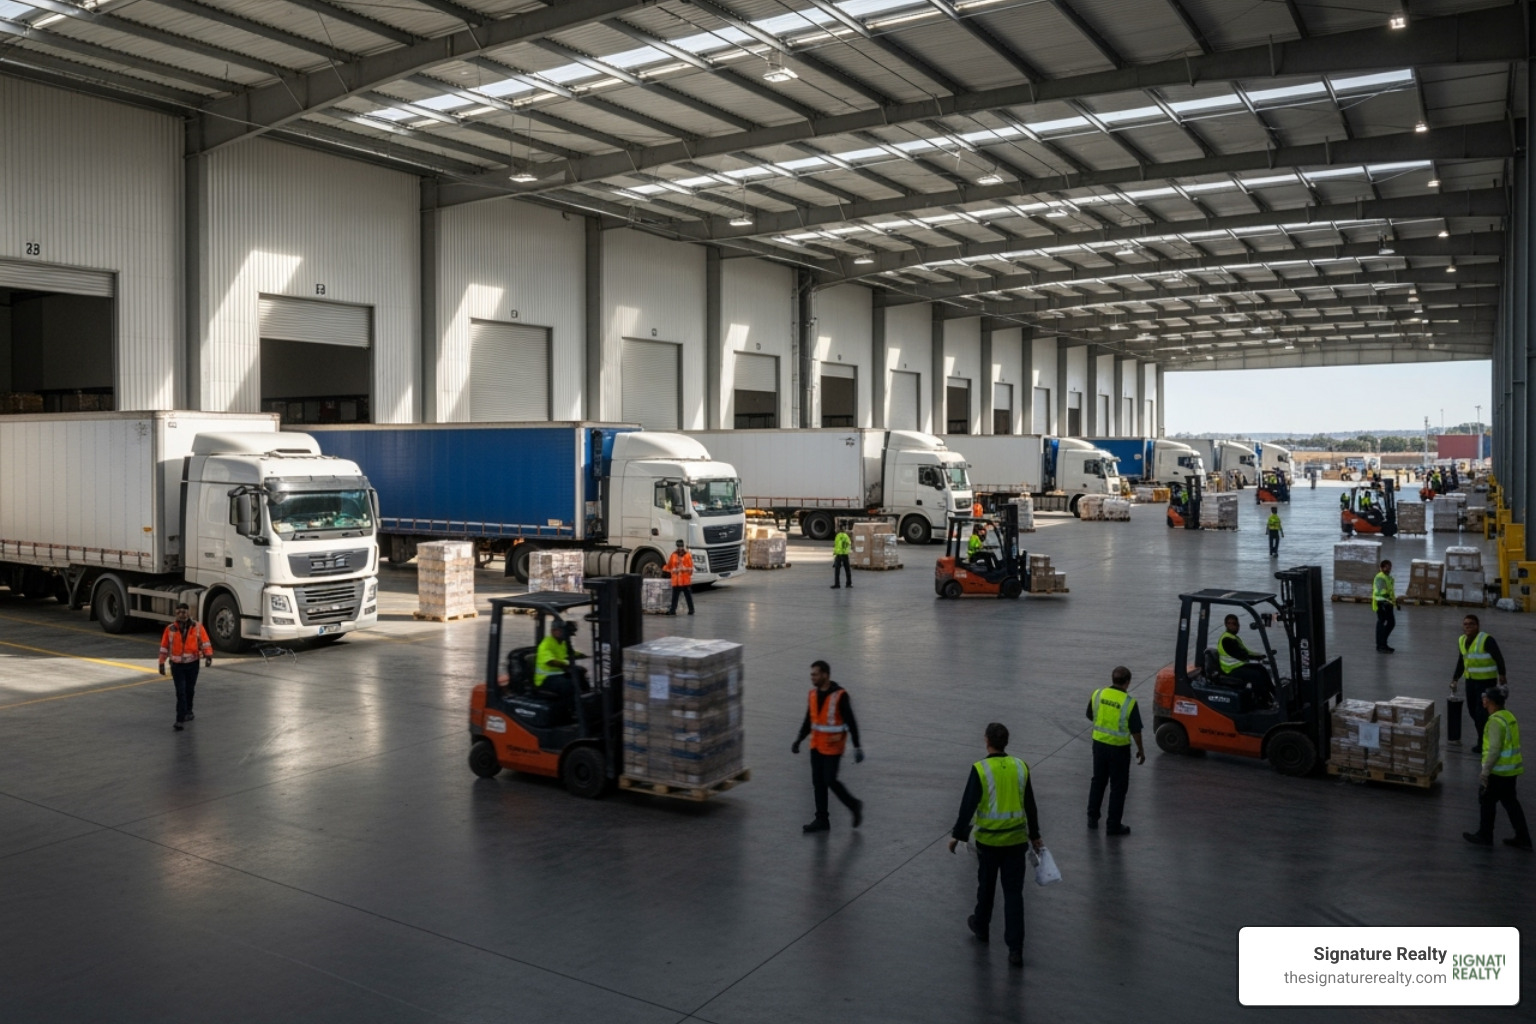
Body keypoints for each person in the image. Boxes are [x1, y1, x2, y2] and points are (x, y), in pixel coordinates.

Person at [946, 722, 1043, 968]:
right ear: (1006, 742)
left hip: (988, 842)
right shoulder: (1021, 767)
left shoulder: (980, 769)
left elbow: (967, 805)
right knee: (1013, 895)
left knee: (986, 888)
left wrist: (958, 835)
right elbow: (1030, 804)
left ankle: (981, 927)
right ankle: (1015, 950)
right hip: (1016, 842)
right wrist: (1035, 835)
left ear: (986, 740)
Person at [792, 660, 863, 832]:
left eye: (815, 674)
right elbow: (809, 720)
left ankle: (854, 805)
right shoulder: (813, 695)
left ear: (825, 674)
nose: (812, 677)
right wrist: (799, 739)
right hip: (816, 746)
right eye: (811, 674)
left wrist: (857, 746)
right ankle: (822, 819)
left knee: (830, 779)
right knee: (818, 783)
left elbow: (851, 722)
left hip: (833, 746)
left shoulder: (840, 695)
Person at [1463, 687, 1531, 850]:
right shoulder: (1508, 716)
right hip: (1511, 770)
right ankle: (1523, 837)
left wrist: (1485, 772)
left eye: (1486, 698)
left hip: (1498, 771)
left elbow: (1494, 749)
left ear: (1491, 701)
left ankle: (1485, 835)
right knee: (1511, 803)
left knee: (1487, 801)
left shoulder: (1494, 721)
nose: (1483, 700)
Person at [1085, 667, 1144, 836]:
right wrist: (1141, 750)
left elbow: (1090, 715)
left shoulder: (1098, 694)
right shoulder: (1129, 702)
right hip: (1119, 749)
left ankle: (1092, 818)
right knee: (1118, 788)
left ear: (1112, 679)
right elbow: (1136, 731)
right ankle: (1113, 826)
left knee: (1098, 781)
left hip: (1099, 745)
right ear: (1127, 682)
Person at [1452, 615, 1508, 753]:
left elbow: (1498, 657)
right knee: (1473, 712)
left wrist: (1502, 674)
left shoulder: (1486, 639)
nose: (1468, 626)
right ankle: (1486, 737)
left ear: (1477, 626)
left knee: (1481, 713)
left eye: (1471, 624)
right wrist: (1455, 678)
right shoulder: (1462, 640)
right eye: (1465, 624)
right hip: (1471, 682)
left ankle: (1483, 742)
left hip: (1486, 682)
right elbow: (1461, 661)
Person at [159, 603, 212, 731]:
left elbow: (205, 642)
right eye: (179, 612)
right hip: (177, 666)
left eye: (184, 612)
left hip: (193, 664)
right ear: (176, 614)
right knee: (180, 692)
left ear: (188, 613)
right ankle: (180, 719)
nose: (181, 614)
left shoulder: (197, 627)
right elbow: (164, 647)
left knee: (190, 689)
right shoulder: (170, 629)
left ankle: (189, 711)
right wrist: (161, 662)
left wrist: (208, 656)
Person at [1217, 614, 1272, 705]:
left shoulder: (1233, 637)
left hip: (1237, 666)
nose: (1234, 626)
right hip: (1230, 669)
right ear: (1226, 625)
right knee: (1256, 675)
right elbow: (1240, 654)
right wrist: (1254, 657)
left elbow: (1246, 651)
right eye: (1231, 624)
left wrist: (1259, 655)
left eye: (1235, 624)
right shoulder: (1227, 639)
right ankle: (1263, 702)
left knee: (1261, 668)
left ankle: (1273, 693)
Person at [533, 618, 580, 713]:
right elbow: (550, 661)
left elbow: (570, 653)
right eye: (561, 631)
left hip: (558, 675)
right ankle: (569, 711)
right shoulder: (546, 644)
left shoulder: (562, 643)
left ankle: (582, 704)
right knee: (567, 685)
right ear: (553, 631)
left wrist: (585, 655)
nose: (564, 634)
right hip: (545, 679)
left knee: (580, 674)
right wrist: (566, 666)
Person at [1373, 559, 1397, 653]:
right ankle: (1381, 645)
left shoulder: (1388, 577)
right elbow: (1380, 591)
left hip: (1388, 603)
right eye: (1386, 567)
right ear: (1381, 567)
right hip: (1382, 603)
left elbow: (1390, 591)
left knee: (1391, 623)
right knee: (1382, 623)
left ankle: (1383, 643)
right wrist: (1384, 602)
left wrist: (1395, 603)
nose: (1389, 569)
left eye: (1390, 567)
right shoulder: (1380, 577)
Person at [665, 538, 694, 615]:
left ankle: (691, 609)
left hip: (684, 580)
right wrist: (671, 570)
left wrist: (683, 569)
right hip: (677, 580)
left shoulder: (687, 555)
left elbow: (691, 568)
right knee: (675, 596)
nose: (679, 548)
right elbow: (669, 565)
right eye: (678, 546)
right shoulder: (673, 555)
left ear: (683, 546)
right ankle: (672, 610)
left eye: (680, 546)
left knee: (688, 596)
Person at [831, 525, 852, 589]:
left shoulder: (838, 536)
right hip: (845, 554)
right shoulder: (846, 536)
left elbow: (836, 545)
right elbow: (849, 544)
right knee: (847, 570)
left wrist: (835, 553)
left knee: (837, 571)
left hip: (839, 555)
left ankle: (837, 584)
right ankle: (848, 584)